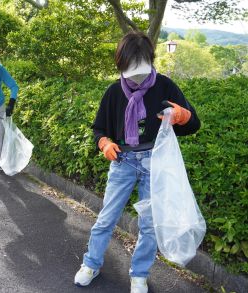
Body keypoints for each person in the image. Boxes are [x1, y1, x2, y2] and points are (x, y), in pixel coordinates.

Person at [74, 31, 200, 293]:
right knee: (106, 218)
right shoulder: (113, 92)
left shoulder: (164, 86)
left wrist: (183, 115)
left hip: (156, 162)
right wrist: (105, 143)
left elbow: (192, 125)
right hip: (123, 161)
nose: (137, 76)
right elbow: (99, 129)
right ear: (121, 63)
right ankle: (91, 264)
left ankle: (139, 274)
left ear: (150, 60)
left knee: (150, 225)